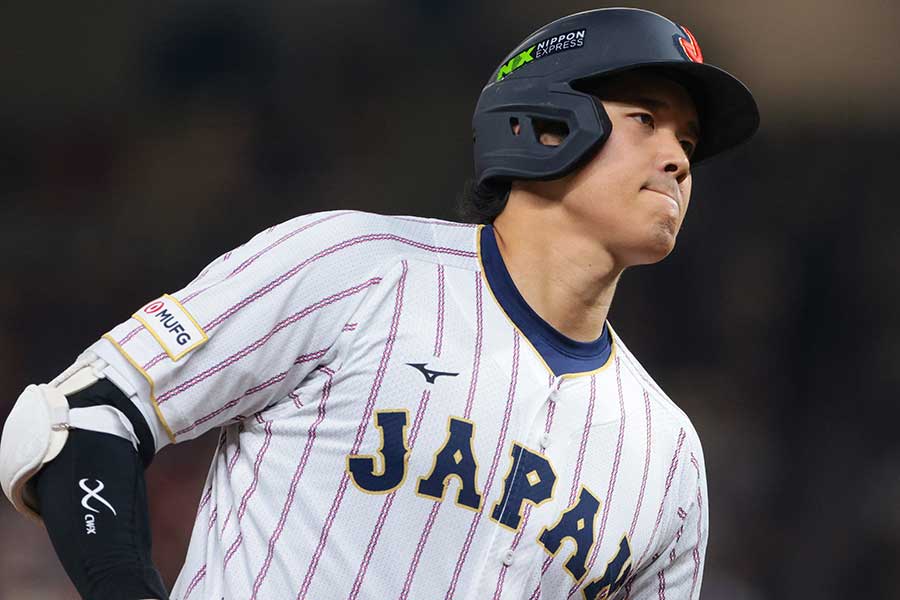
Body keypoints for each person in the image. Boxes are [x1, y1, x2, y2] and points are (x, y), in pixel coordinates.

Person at [0, 7, 758, 600]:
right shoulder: (356, 270)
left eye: (689, 140)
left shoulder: (669, 457)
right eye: (646, 120)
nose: (678, 158)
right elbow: (77, 420)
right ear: (548, 123)